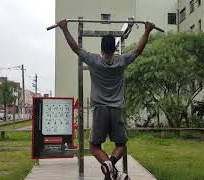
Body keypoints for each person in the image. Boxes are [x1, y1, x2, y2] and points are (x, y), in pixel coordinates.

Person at [57, 19, 155, 180]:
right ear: (115, 48)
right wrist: (147, 31)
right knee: (121, 145)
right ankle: (113, 168)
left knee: (94, 146)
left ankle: (109, 167)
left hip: (100, 109)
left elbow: (75, 48)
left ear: (102, 48)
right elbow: (138, 50)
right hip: (117, 109)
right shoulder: (121, 61)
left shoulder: (94, 60)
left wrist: (64, 28)